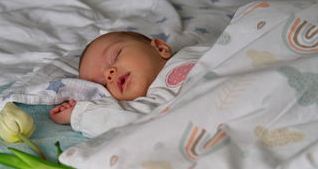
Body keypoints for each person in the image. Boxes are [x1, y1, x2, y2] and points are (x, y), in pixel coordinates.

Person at [49, 31, 206, 137]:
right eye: (103, 85)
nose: (108, 74)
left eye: (115, 56)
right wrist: (80, 113)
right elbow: (133, 120)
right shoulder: (161, 96)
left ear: (160, 48)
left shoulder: (196, 50)